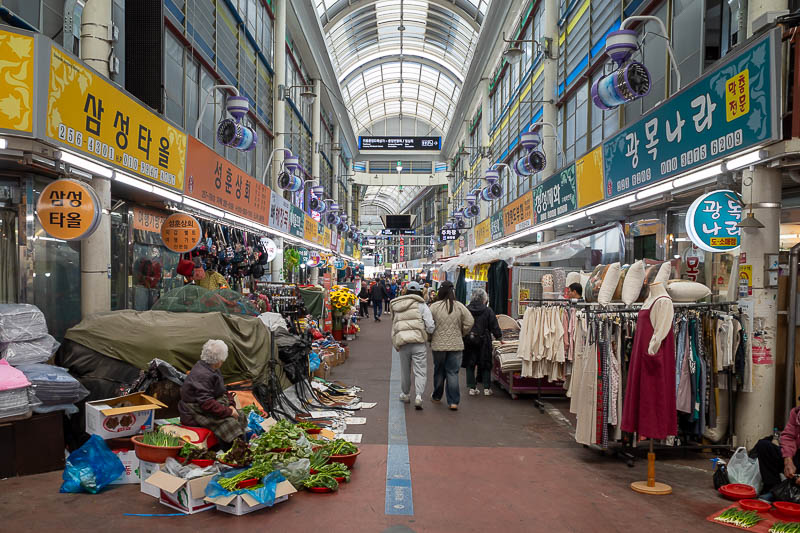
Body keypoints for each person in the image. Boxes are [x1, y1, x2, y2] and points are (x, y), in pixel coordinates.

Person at [178, 339, 246, 445]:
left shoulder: (211, 368)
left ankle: (239, 448)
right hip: (194, 412)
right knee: (230, 423)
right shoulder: (203, 375)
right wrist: (228, 412)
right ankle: (231, 450)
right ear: (219, 361)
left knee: (240, 415)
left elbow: (223, 391)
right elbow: (206, 403)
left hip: (206, 405)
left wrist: (231, 405)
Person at [390, 281, 435, 410]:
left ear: (406, 291)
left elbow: (394, 325)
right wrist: (428, 332)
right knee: (420, 371)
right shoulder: (422, 305)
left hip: (403, 342)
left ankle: (405, 394)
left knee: (405, 370)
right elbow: (430, 326)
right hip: (418, 342)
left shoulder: (397, 305)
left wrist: (395, 341)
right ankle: (419, 396)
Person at [429, 280, 474, 410]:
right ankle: (453, 402)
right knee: (453, 372)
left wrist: (430, 337)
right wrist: (462, 332)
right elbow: (470, 321)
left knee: (439, 370)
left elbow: (428, 325)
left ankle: (437, 396)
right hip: (456, 344)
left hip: (438, 345)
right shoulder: (459, 306)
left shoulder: (434, 307)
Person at [463, 288, 502, 396]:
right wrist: (499, 337)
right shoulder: (488, 310)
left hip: (469, 339)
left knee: (470, 363)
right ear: (484, 298)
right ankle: (486, 388)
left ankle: (471, 387)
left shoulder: (466, 309)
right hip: (484, 340)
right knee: (485, 363)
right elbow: (494, 325)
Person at [752, 406, 800, 493]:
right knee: (764, 446)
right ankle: (774, 489)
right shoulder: (797, 413)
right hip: (795, 458)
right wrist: (788, 460)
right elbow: (788, 437)